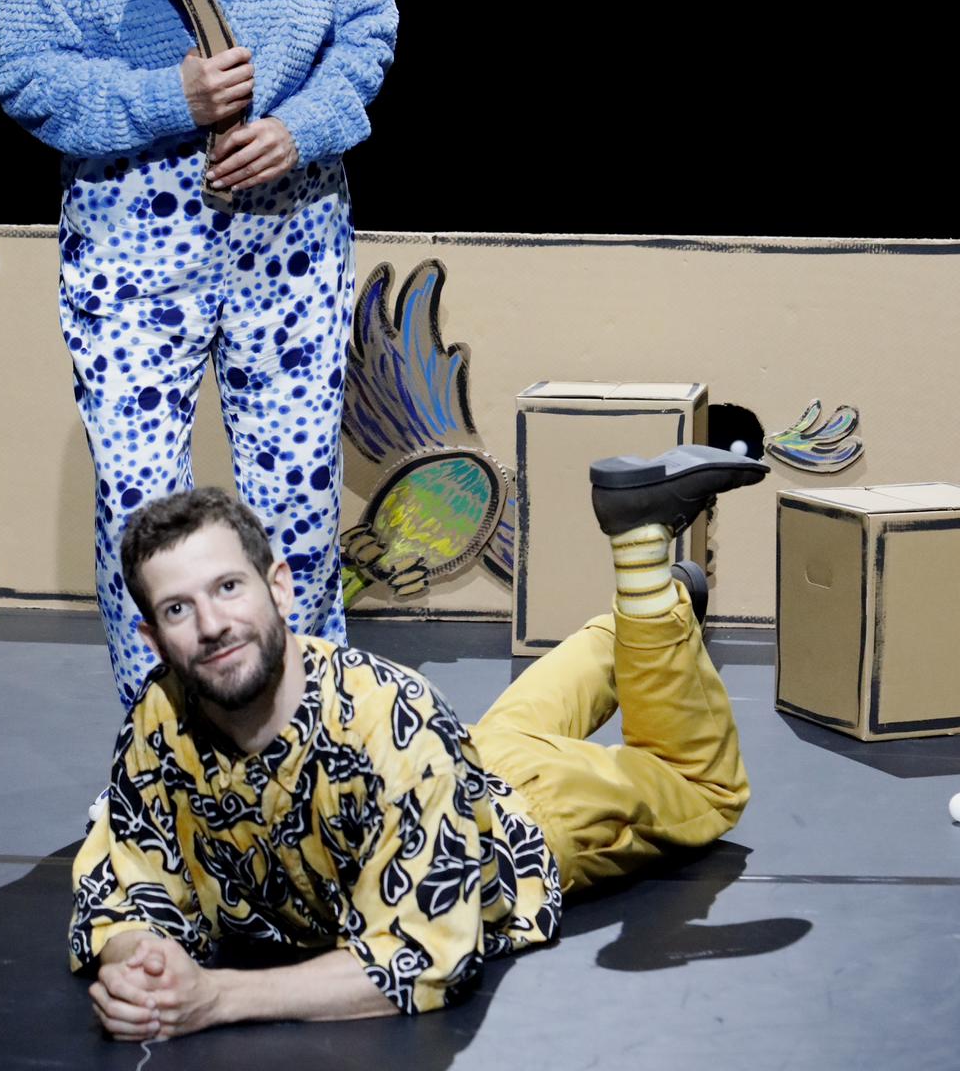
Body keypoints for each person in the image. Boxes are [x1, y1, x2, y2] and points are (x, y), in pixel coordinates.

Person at [0, 0, 397, 707]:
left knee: (296, 505)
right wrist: (171, 97)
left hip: (288, 230)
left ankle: (308, 742)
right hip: (134, 235)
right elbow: (24, 72)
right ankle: (161, 753)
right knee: (142, 506)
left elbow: (367, 30)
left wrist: (301, 128)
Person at [69, 446, 768, 1040]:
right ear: (152, 638)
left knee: (702, 788)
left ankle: (644, 562)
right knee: (500, 733)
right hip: (459, 759)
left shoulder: (391, 720)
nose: (212, 624)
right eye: (179, 608)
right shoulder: (161, 715)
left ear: (279, 588)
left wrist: (215, 998)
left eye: (228, 587)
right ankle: (652, 617)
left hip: (533, 814)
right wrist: (140, 965)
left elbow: (425, 955)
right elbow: (123, 882)